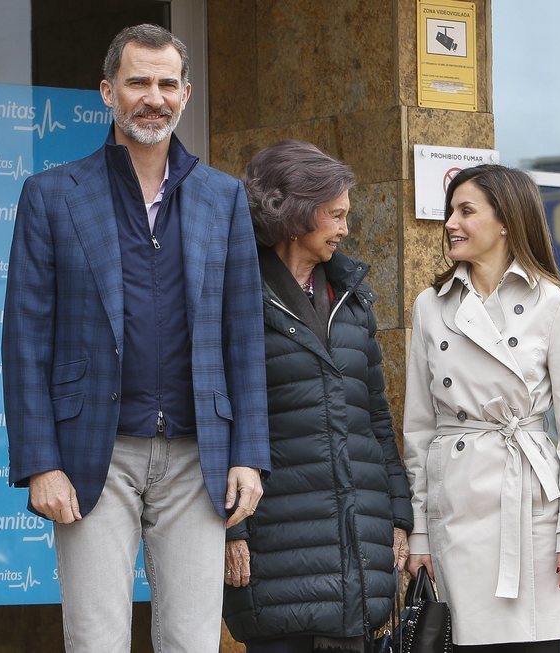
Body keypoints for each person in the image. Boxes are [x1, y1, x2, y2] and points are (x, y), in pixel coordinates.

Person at [1, 24, 270, 653]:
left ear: (186, 93)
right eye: (138, 82)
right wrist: (41, 462)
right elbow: (25, 339)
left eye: (167, 83)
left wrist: (249, 454)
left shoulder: (222, 197)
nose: (154, 97)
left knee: (192, 642)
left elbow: (243, 339)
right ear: (107, 91)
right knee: (95, 641)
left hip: (197, 456)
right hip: (95, 453)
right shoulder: (51, 196)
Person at [222, 140, 413, 653]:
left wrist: (399, 516)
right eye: (335, 215)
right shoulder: (235, 292)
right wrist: (230, 533)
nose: (345, 229)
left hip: (360, 548)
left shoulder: (351, 297)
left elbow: (375, 415)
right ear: (294, 212)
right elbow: (217, 420)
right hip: (276, 548)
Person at [403, 165, 560, 652]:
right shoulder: (430, 306)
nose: (450, 222)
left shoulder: (555, 302)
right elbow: (417, 431)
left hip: (530, 512)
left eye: (466, 211)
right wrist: (420, 533)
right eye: (451, 210)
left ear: (506, 221)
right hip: (458, 505)